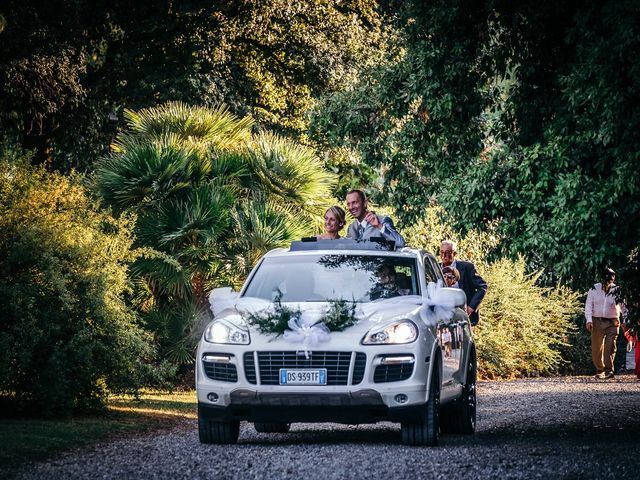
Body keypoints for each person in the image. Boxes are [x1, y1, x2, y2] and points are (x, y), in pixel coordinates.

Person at [585, 267, 626, 379]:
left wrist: (625, 320)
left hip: (613, 322)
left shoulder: (617, 290)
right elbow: (588, 305)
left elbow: (623, 307)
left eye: (610, 281)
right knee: (597, 348)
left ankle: (609, 370)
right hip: (597, 321)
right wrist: (589, 320)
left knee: (610, 347)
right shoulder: (593, 289)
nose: (607, 284)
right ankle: (600, 370)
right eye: (605, 281)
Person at [439, 240, 487, 326]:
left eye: (447, 252)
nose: (444, 256)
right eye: (442, 252)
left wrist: (471, 308)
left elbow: (482, 287)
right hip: (441, 317)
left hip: (463, 316)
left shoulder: (467, 267)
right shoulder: (435, 268)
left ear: (454, 254)